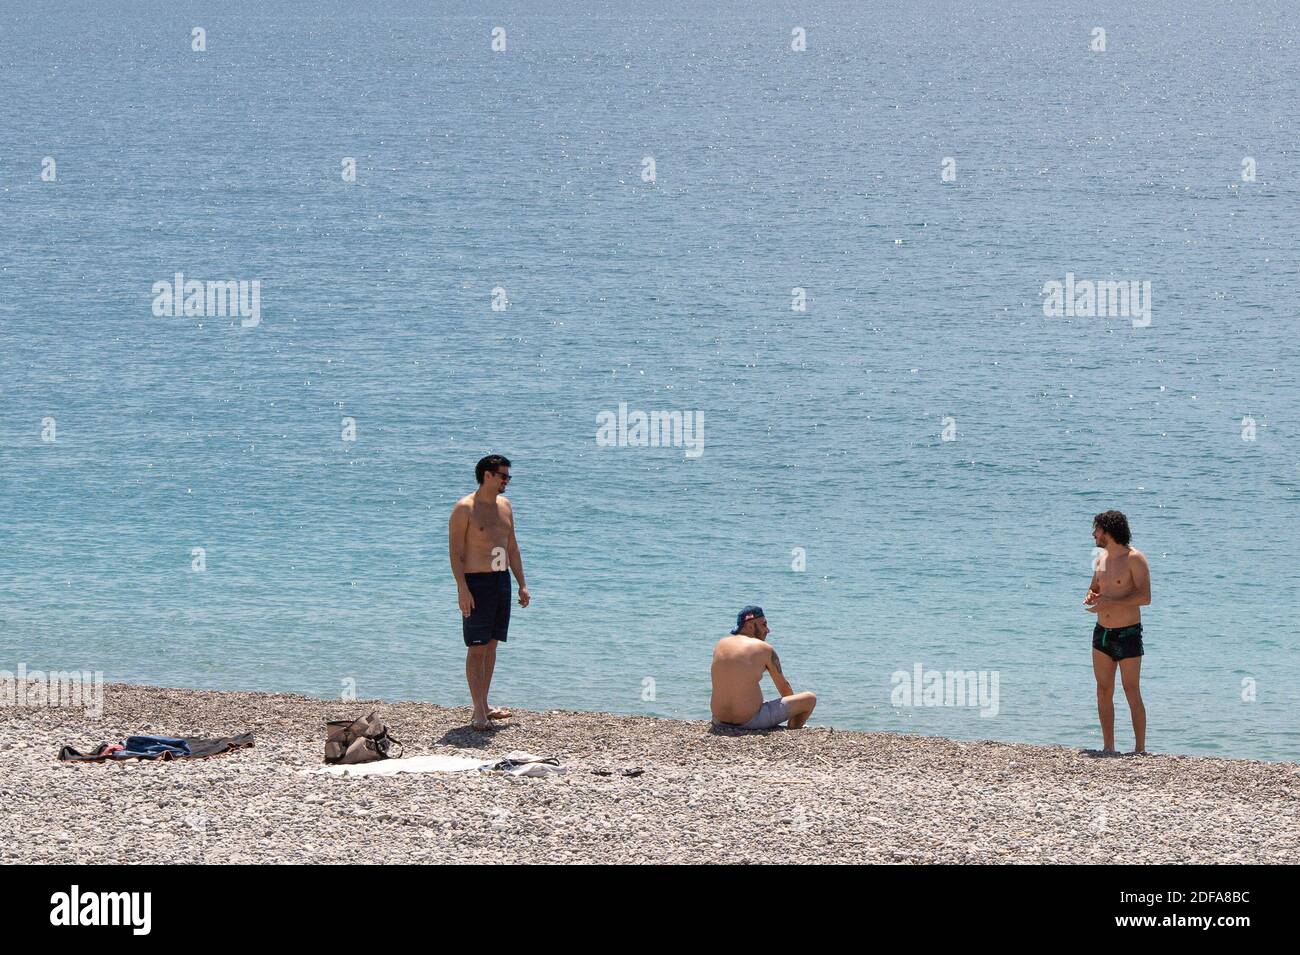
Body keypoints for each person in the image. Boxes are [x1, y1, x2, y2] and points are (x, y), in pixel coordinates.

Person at [448, 454, 529, 730]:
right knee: (477, 647)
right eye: (503, 476)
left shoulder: (505, 506)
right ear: (487, 475)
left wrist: (522, 583)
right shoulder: (464, 508)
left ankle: (484, 704)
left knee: (492, 645)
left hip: (500, 581)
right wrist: (462, 588)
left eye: (509, 476)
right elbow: (456, 553)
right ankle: (477, 711)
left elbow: (513, 547)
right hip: (476, 582)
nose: (507, 481)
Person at [1085, 510, 1151, 754]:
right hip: (1102, 632)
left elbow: (1145, 597)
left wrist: (1110, 603)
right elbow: (1094, 587)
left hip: (1128, 633)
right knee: (1103, 690)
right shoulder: (1100, 559)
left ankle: (1140, 749)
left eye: (1097, 529)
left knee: (1131, 689)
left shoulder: (1135, 559)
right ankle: (1108, 747)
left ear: (1108, 531)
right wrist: (1091, 595)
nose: (1094, 534)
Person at [710, 606, 816, 730]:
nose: (768, 630)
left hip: (718, 719)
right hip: (749, 720)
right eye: (764, 624)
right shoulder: (764, 648)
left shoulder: (720, 644)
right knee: (809, 698)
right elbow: (785, 690)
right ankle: (793, 730)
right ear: (750, 626)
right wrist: (793, 710)